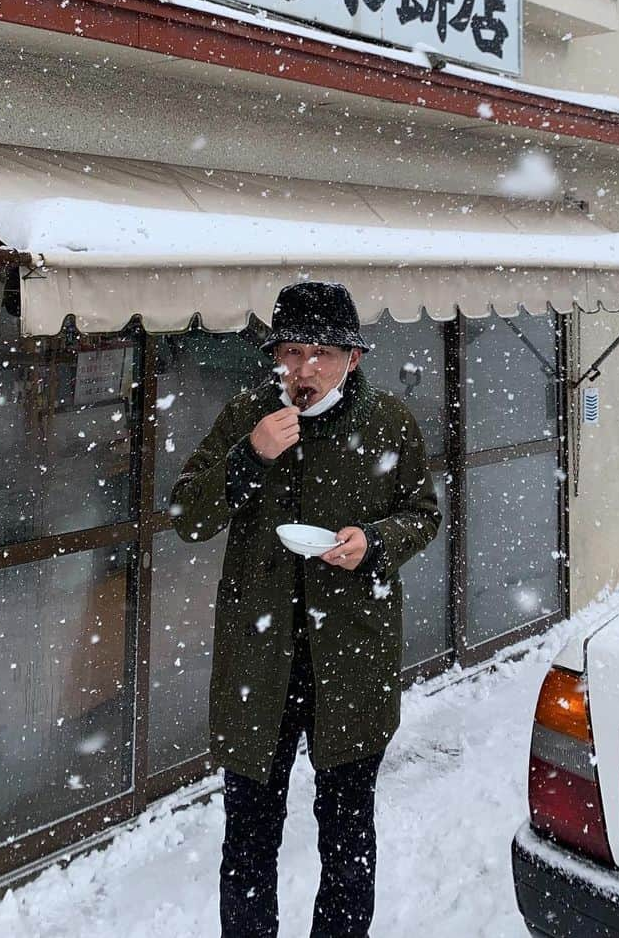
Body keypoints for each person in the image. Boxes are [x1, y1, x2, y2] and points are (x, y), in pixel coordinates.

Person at [171, 280, 441, 937]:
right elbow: (186, 516)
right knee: (249, 840)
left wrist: (374, 542)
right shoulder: (249, 417)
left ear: (354, 358)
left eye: (322, 352)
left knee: (347, 836)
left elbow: (422, 514)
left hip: (350, 659)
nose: (304, 368)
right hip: (258, 664)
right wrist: (251, 456)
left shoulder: (388, 424)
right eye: (292, 352)